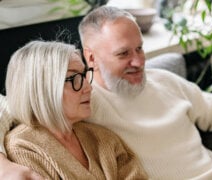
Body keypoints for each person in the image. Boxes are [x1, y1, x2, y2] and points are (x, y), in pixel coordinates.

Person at [0, 5, 212, 180]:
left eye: (140, 49)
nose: (139, 62)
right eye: (123, 54)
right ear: (91, 58)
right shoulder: (83, 101)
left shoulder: (162, 81)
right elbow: (16, 106)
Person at [2, 40, 148, 179]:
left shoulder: (104, 139)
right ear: (41, 89)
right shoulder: (21, 150)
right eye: (74, 78)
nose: (88, 88)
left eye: (84, 76)